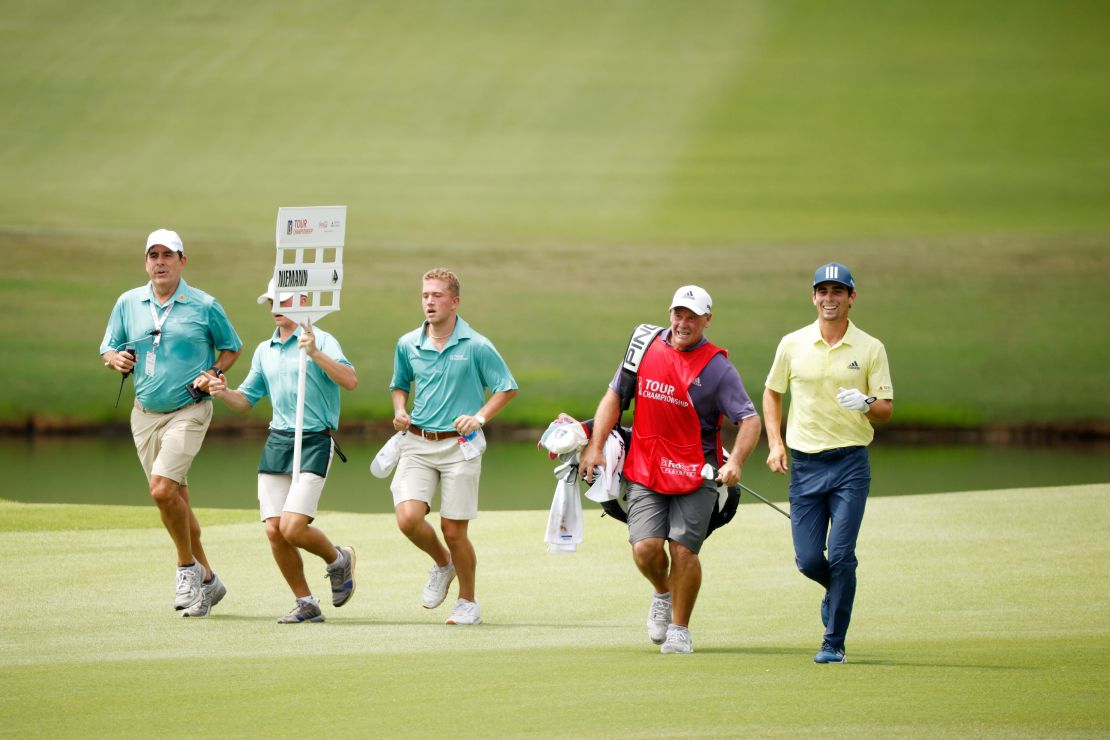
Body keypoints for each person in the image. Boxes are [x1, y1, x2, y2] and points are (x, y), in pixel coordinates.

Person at [581, 285, 761, 654]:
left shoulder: (718, 368)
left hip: (696, 473)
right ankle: (662, 593)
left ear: (707, 320)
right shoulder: (645, 347)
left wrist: (736, 462)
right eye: (679, 314)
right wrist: (596, 447)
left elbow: (750, 419)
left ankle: (680, 628)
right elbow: (615, 396)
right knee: (646, 549)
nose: (684, 322)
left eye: (693, 316)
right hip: (645, 467)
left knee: (682, 551)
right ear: (670, 313)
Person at [99, 228, 243, 617]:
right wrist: (114, 359)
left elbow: (231, 346)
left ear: (182, 260)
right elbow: (108, 347)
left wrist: (211, 371)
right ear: (145, 261)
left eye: (167, 255)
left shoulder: (204, 304)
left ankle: (186, 569)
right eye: (153, 255)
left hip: (189, 408)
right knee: (176, 498)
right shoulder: (129, 302)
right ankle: (210, 580)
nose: (159, 262)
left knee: (162, 491)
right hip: (144, 414)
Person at [763, 262, 894, 664]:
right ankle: (837, 590)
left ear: (852, 298)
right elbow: (772, 393)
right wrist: (775, 442)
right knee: (808, 560)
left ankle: (833, 641)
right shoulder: (792, 343)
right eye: (823, 291)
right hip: (805, 464)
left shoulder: (870, 348)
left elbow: (886, 409)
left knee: (840, 555)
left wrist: (868, 403)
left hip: (850, 464)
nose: (829, 298)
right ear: (813, 296)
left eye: (838, 291)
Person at [205, 281, 359, 624]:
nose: (275, 305)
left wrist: (316, 353)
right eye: (272, 300)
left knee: (293, 527)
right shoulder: (265, 349)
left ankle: (338, 559)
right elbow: (246, 400)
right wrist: (223, 392)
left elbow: (350, 380)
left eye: (284, 299)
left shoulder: (322, 340)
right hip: (278, 438)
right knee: (274, 529)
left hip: (315, 438)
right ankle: (305, 602)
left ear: (303, 302)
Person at [388, 268, 518, 626]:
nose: (429, 302)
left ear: (455, 301)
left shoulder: (476, 345)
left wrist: (479, 417)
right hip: (417, 441)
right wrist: (400, 409)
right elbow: (399, 384)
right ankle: (444, 565)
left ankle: (468, 602)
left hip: (460, 445)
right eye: (425, 295)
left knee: (454, 530)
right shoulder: (408, 343)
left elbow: (506, 387)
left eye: (437, 295)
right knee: (408, 518)